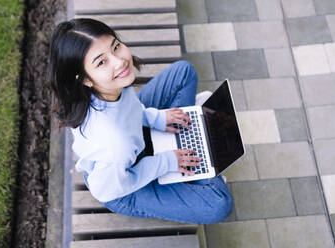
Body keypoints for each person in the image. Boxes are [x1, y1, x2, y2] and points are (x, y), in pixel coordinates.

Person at [48, 18, 233, 224]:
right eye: (101, 62)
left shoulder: (106, 87)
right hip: (123, 186)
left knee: (183, 72)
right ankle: (196, 164)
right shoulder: (114, 141)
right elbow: (119, 184)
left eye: (116, 47)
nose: (119, 62)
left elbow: (131, 109)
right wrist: (168, 161)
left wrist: (158, 119)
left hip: (134, 140)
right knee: (219, 205)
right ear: (85, 79)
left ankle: (190, 147)